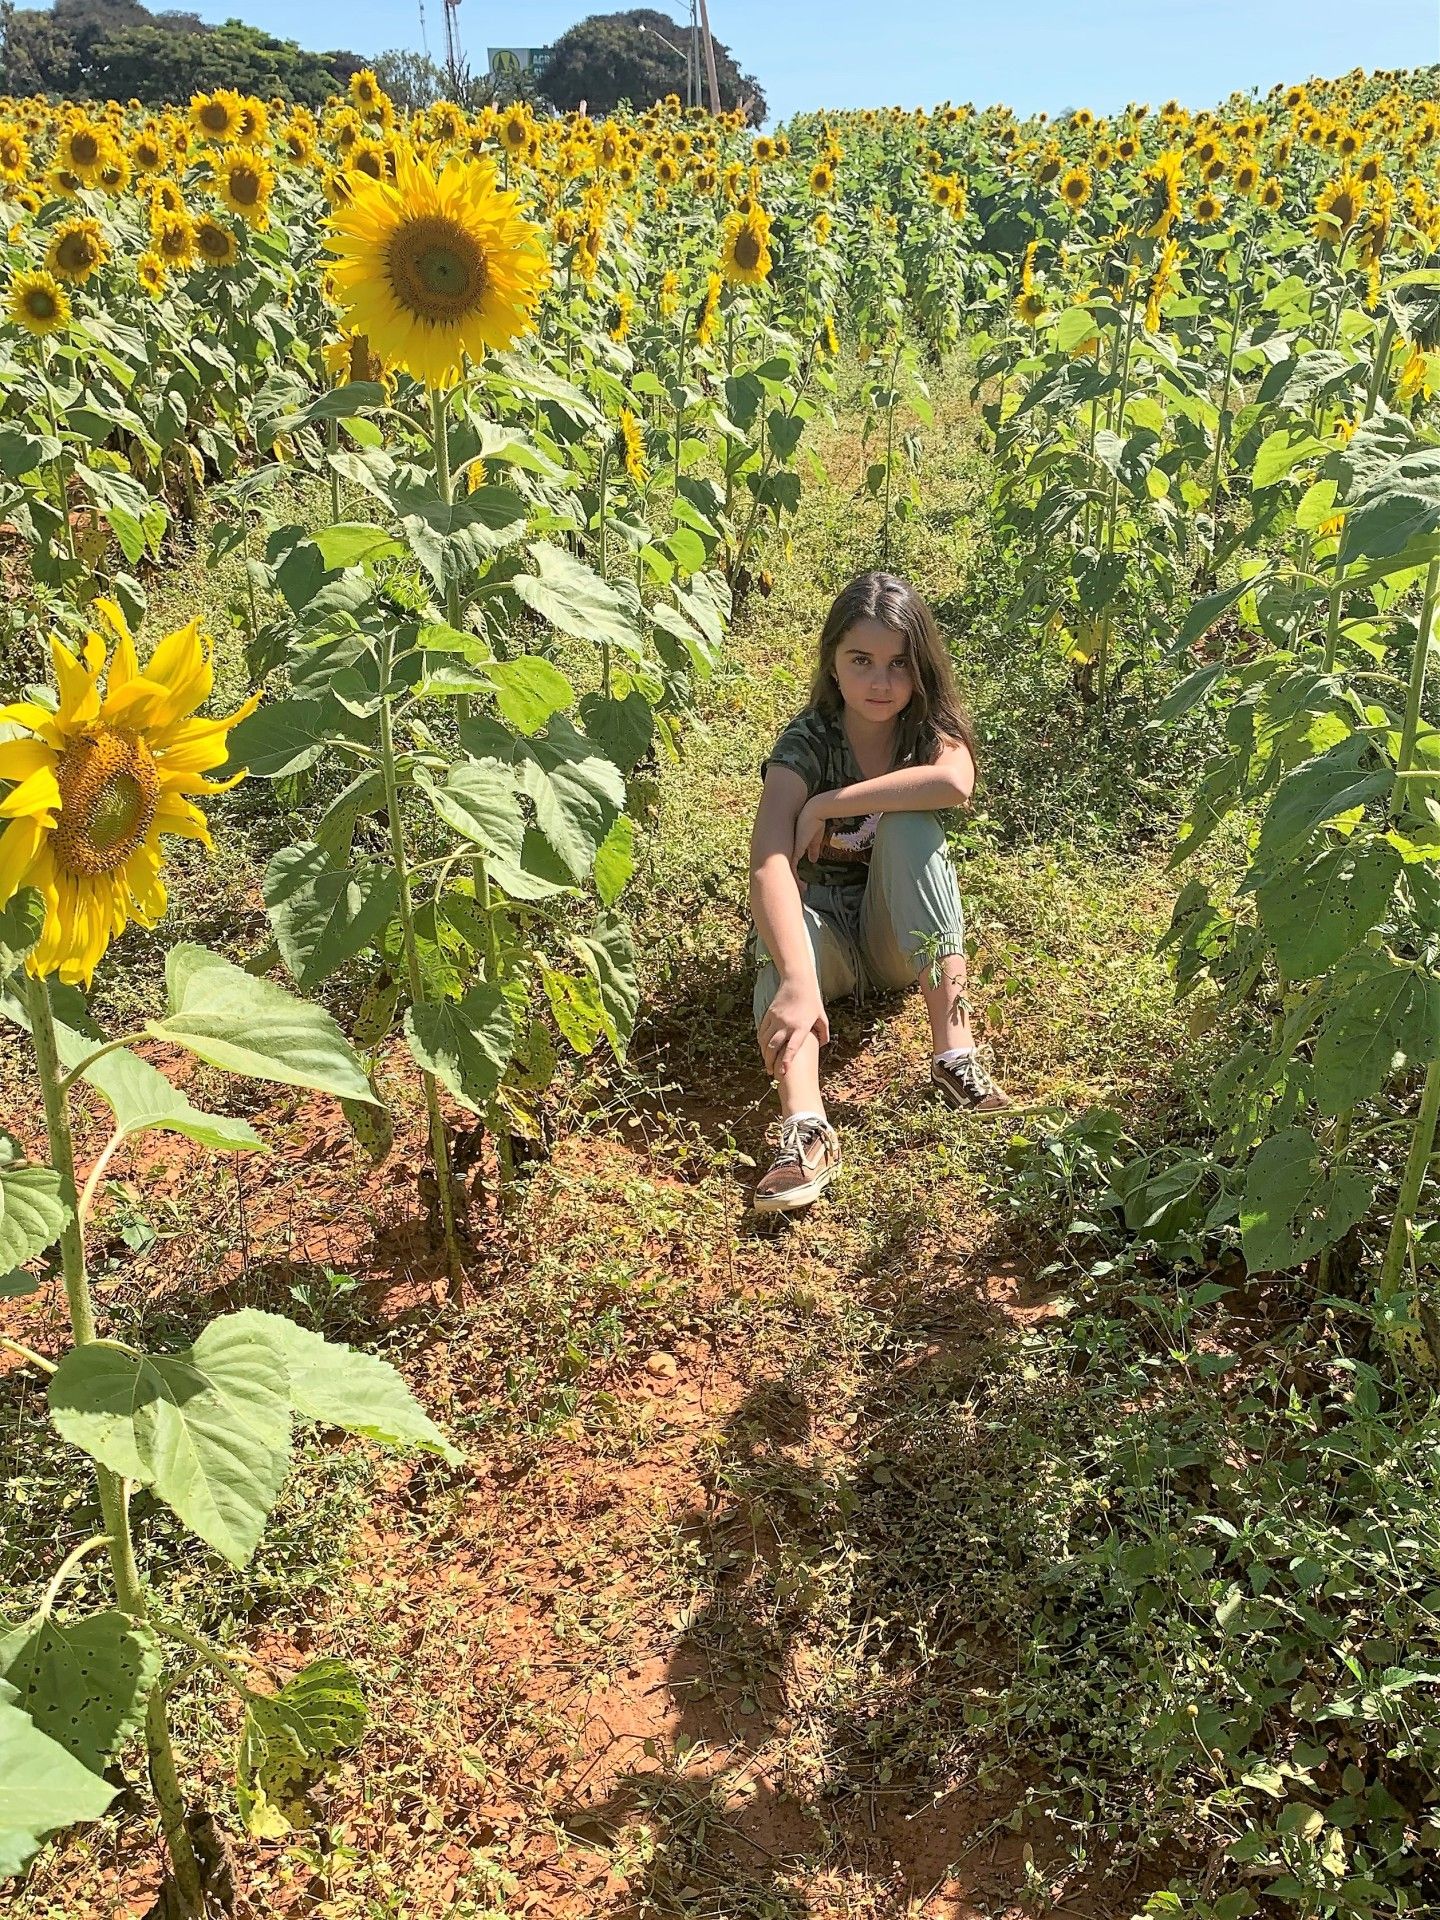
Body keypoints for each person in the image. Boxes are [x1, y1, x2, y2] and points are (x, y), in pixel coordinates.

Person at [747, 571, 1009, 1215]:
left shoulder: (925, 731)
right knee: (776, 948)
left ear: (920, 670)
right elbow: (768, 862)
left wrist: (835, 801)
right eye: (860, 661)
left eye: (898, 664)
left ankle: (955, 1056)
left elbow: (954, 784)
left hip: (891, 937)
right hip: (822, 943)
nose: (879, 682)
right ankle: (805, 1128)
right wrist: (798, 979)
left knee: (912, 821)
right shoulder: (807, 740)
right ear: (832, 663)